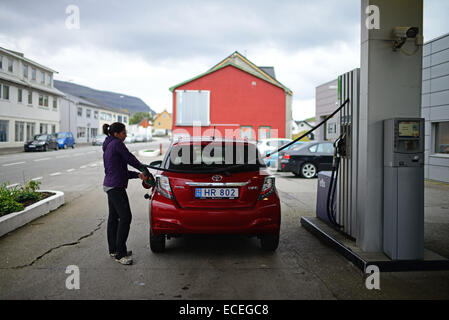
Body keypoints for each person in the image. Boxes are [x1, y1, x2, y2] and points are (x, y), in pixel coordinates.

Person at [102, 122, 154, 265]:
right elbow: (130, 158)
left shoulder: (109, 145)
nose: (125, 135)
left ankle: (114, 250)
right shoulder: (117, 144)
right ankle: (120, 254)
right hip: (115, 187)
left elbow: (119, 170)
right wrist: (144, 170)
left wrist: (138, 175)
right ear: (116, 134)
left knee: (113, 218)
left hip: (110, 185)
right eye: (124, 133)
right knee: (125, 217)